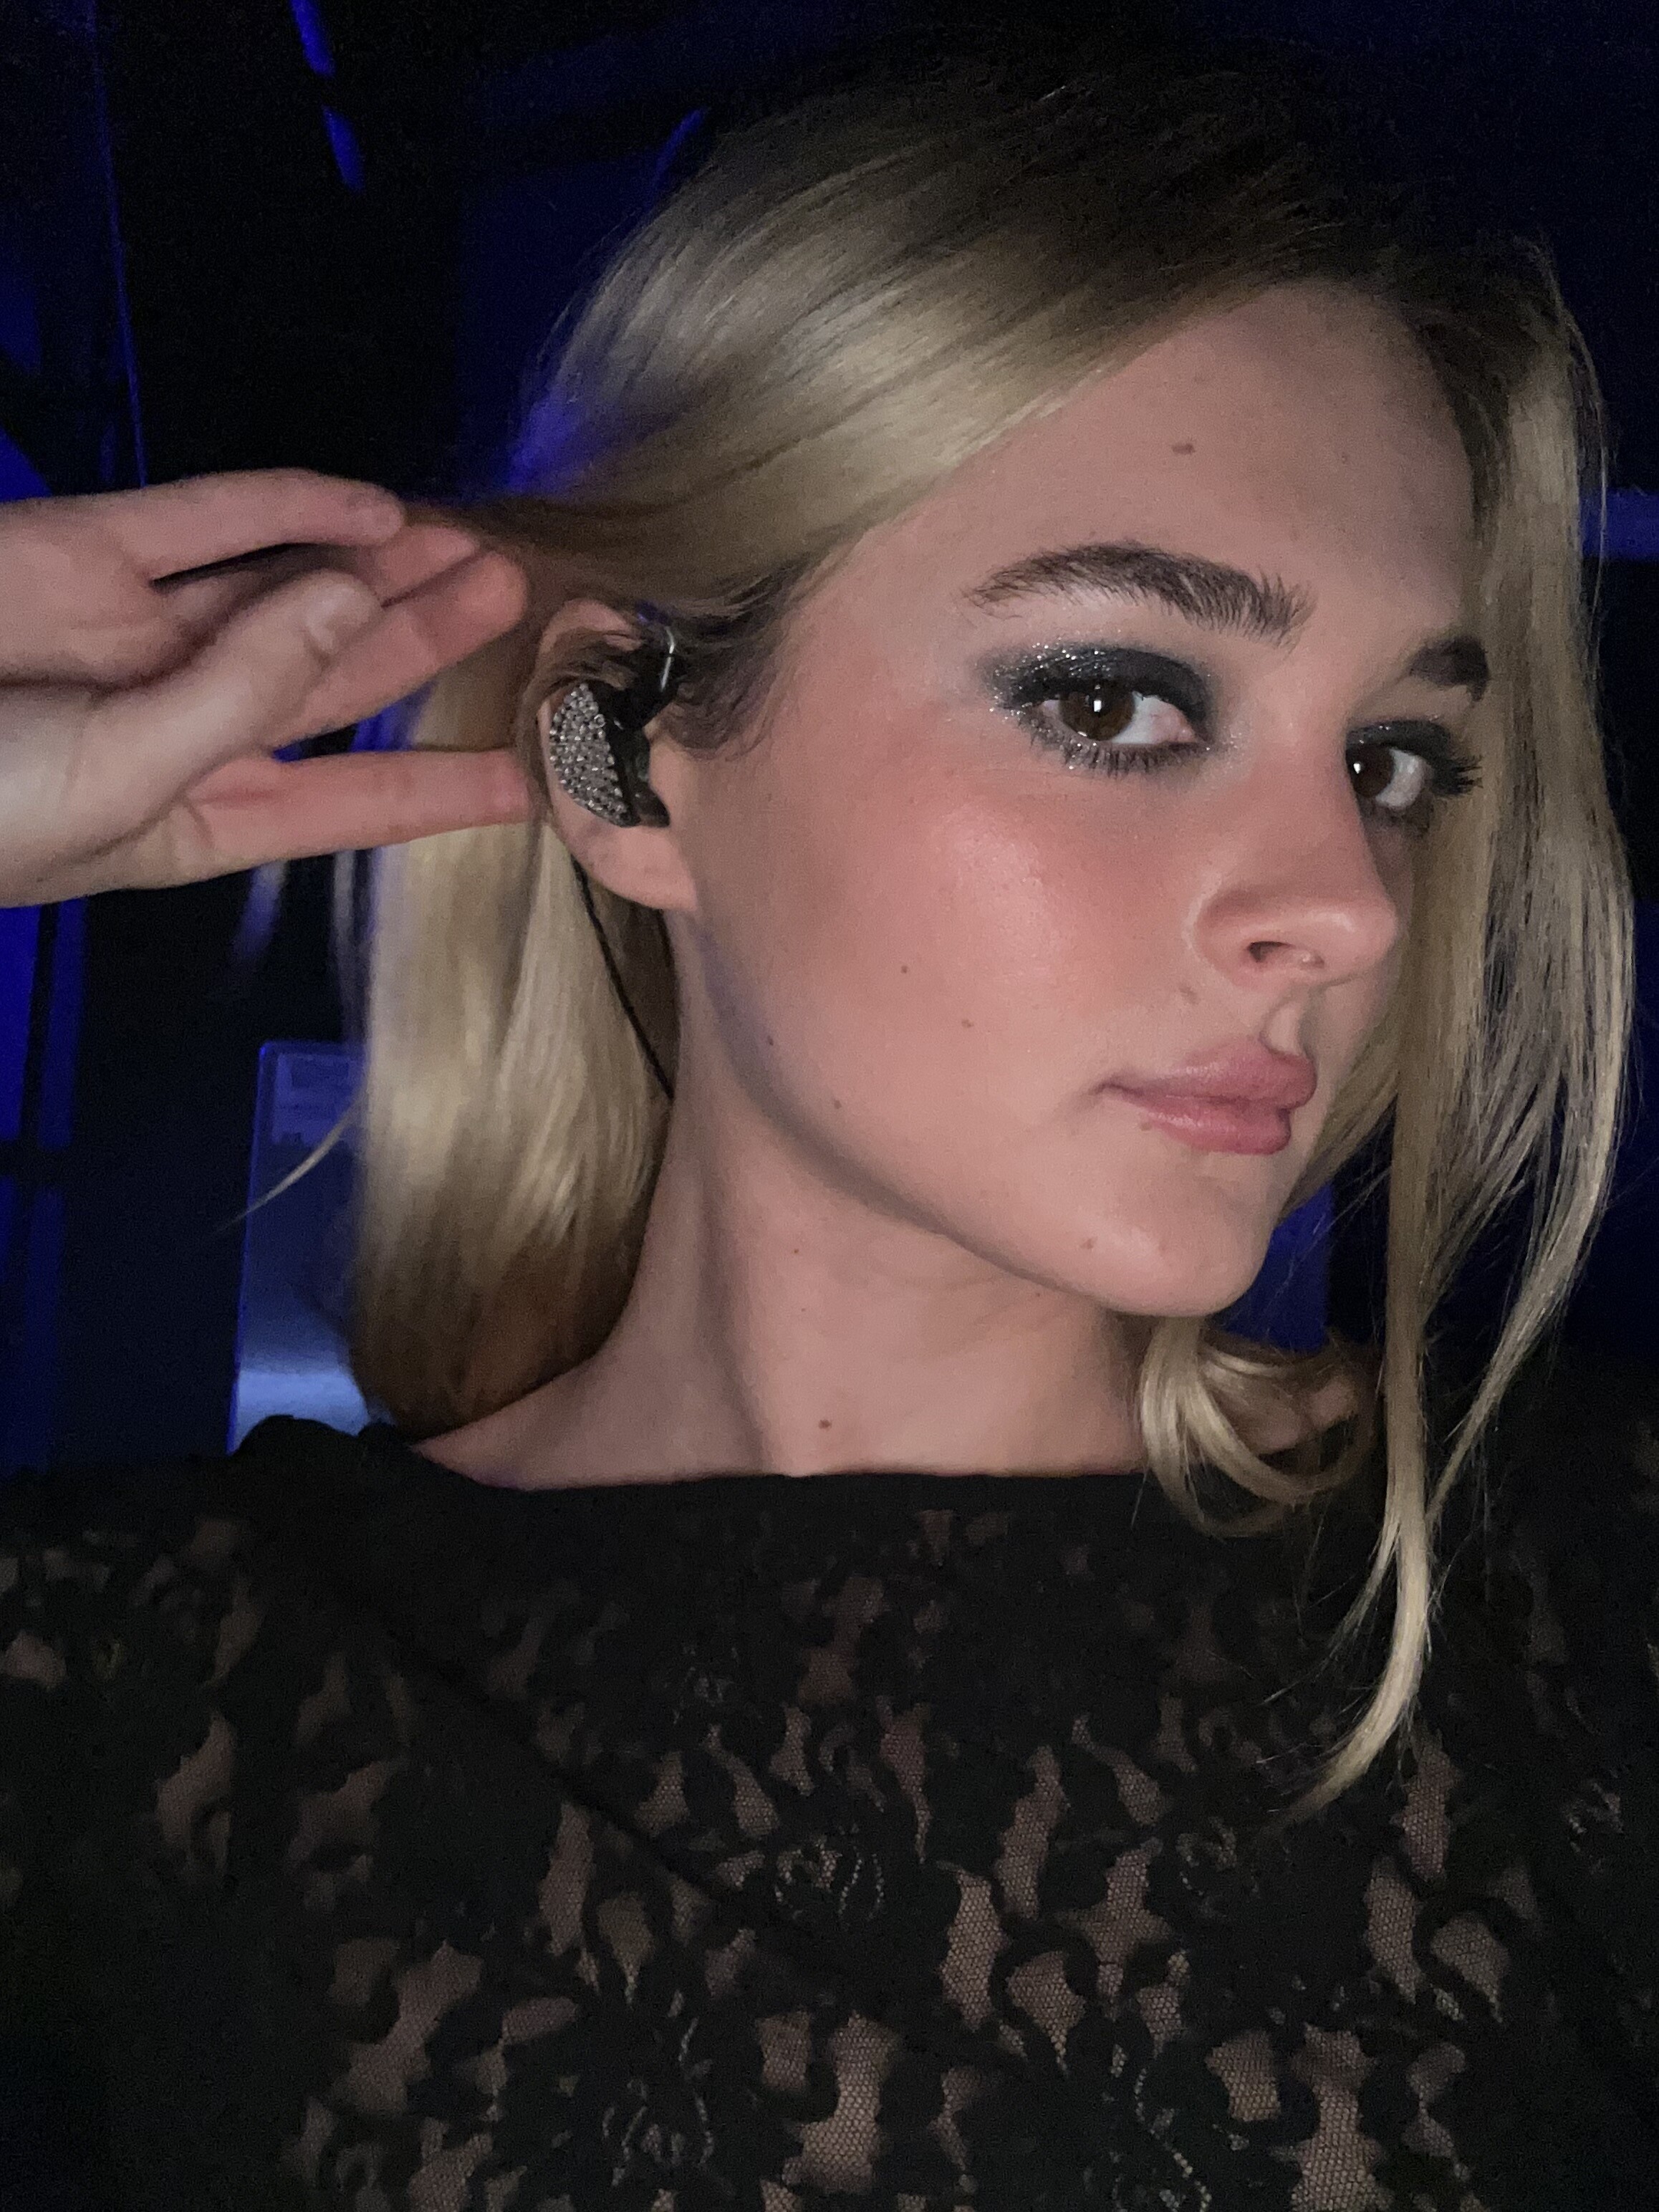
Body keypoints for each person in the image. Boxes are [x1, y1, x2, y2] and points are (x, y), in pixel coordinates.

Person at [1, 38, 1655, 2212]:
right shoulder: (127, 1695)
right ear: (622, 759)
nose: (1346, 906)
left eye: (1393, 761)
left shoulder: (1578, 1601)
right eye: (1114, 700)